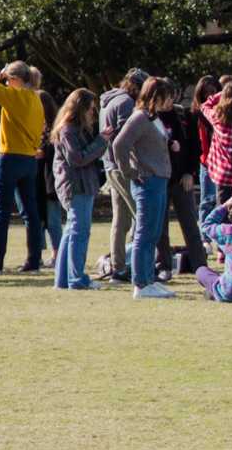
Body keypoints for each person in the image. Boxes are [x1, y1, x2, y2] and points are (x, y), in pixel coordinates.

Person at [0, 60, 47, 274]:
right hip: (29, 159)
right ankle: (33, 260)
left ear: (16, 80)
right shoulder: (36, 100)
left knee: (2, 212)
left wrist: (0, 74)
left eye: (9, 80)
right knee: (30, 212)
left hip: (10, 158)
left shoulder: (14, 96)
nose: (6, 84)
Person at [112, 76, 177, 299]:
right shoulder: (139, 117)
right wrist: (129, 172)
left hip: (159, 180)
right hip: (147, 181)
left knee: (154, 232)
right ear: (155, 95)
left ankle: (149, 279)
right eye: (167, 96)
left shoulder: (153, 118)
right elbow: (119, 144)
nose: (170, 101)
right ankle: (140, 283)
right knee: (144, 233)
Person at [51, 88, 106, 290]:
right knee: (79, 232)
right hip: (76, 186)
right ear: (81, 109)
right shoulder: (67, 130)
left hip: (79, 185)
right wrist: (102, 141)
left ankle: (63, 279)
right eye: (91, 109)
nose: (93, 113)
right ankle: (76, 278)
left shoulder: (74, 130)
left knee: (71, 231)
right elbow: (78, 158)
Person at [99, 66, 149, 283]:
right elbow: (124, 139)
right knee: (141, 216)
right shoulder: (127, 103)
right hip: (121, 167)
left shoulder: (109, 101)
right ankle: (135, 265)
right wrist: (132, 167)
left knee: (120, 220)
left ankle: (119, 267)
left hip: (110, 165)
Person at [160, 93, 208, 276]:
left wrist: (190, 172)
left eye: (170, 97)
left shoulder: (184, 116)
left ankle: (200, 266)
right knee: (160, 227)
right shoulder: (149, 118)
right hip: (159, 179)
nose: (167, 102)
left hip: (182, 179)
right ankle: (163, 265)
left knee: (190, 225)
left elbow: (196, 147)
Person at [200, 79, 232, 236]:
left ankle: (222, 249)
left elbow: (204, 106)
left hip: (222, 174)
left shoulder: (217, 117)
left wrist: (221, 94)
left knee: (223, 211)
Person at [30, 69, 64, 264]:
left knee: (53, 219)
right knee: (38, 218)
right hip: (37, 178)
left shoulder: (55, 131)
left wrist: (44, 152)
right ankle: (38, 253)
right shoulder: (35, 127)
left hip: (50, 180)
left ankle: (57, 252)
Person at [192, 76, 222, 219]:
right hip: (206, 161)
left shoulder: (222, 114)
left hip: (221, 161)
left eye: (213, 92)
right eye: (205, 93)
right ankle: (204, 236)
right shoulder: (196, 114)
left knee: (222, 200)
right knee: (207, 201)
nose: (209, 96)